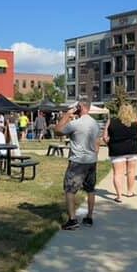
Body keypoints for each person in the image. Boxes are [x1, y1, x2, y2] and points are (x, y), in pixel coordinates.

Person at [55, 98, 101, 230]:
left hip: (78, 161)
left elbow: (57, 130)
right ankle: (89, 217)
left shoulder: (76, 123)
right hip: (91, 160)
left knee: (70, 189)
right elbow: (97, 143)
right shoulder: (95, 124)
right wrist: (94, 156)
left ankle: (72, 220)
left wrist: (67, 115)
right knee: (90, 189)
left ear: (80, 107)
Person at [103, 101, 137, 201]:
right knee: (131, 171)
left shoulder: (111, 121)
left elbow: (105, 137)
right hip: (132, 149)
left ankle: (119, 196)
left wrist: (109, 144)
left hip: (116, 149)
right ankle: (129, 192)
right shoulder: (136, 121)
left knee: (118, 173)